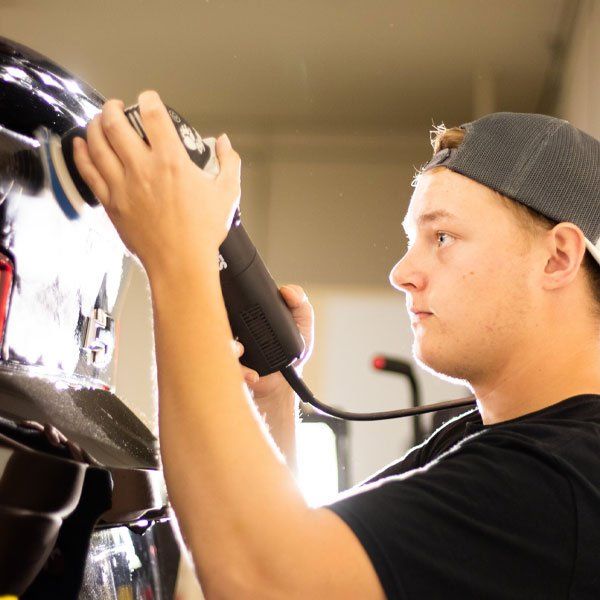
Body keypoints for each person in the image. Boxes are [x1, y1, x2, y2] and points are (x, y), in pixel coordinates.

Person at [73, 92, 600, 599]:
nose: (402, 273)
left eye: (442, 237)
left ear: (557, 258)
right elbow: (314, 561)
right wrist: (275, 395)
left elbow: (265, 585)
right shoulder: (485, 443)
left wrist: (177, 258)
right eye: (410, 240)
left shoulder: (557, 480)